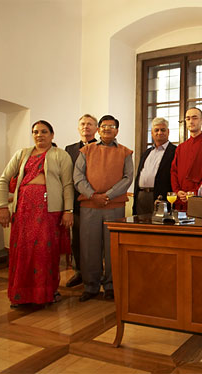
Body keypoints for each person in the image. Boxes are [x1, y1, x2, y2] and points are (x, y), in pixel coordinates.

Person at [0, 120, 74, 307]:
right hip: (23, 212)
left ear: (52, 135)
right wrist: (2, 206)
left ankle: (46, 294)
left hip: (49, 213)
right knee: (22, 253)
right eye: (35, 132)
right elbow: (3, 180)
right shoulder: (22, 154)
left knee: (44, 253)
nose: (39, 135)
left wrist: (68, 210)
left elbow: (67, 185)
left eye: (44, 131)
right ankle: (20, 295)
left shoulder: (61, 156)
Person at [74, 115, 133, 302]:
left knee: (112, 247)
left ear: (117, 130)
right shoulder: (86, 150)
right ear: (98, 130)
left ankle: (111, 286)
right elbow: (78, 177)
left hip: (113, 206)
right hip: (89, 206)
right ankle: (90, 286)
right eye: (104, 126)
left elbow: (128, 178)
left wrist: (108, 195)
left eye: (112, 126)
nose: (107, 129)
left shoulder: (125, 152)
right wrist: (93, 195)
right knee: (89, 247)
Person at [64, 114, 98, 288]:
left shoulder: (102, 147)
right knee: (76, 239)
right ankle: (79, 272)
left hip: (95, 201)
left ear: (96, 128)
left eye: (90, 124)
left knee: (94, 241)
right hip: (76, 203)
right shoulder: (69, 149)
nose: (86, 127)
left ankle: (96, 274)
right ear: (78, 128)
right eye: (83, 124)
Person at [171, 108, 202, 211]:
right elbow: (174, 171)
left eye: (194, 118)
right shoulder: (181, 147)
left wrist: (196, 191)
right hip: (181, 199)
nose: (191, 121)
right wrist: (177, 191)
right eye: (188, 119)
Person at [133, 117, 176, 215]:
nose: (159, 132)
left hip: (160, 197)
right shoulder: (147, 152)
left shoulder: (175, 151)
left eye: (163, 130)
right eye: (156, 130)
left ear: (168, 132)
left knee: (158, 228)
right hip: (141, 196)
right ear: (152, 133)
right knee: (140, 227)